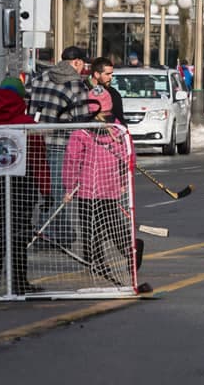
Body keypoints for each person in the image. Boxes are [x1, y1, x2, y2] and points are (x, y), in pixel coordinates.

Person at [0, 79, 50, 295]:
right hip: (23, 186)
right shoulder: (27, 125)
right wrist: (46, 190)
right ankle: (19, 282)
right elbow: (38, 160)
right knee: (19, 236)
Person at [62, 105, 145, 286]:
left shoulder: (82, 132)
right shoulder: (119, 130)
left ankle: (97, 260)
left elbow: (72, 160)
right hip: (110, 186)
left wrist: (69, 186)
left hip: (87, 189)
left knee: (90, 226)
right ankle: (128, 248)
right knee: (111, 223)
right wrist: (123, 181)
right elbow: (127, 158)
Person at [26, 45, 93, 244]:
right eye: (82, 65)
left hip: (35, 141)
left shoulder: (41, 76)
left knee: (41, 189)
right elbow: (82, 119)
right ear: (77, 62)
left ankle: (62, 233)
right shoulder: (76, 84)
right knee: (58, 191)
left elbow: (27, 99)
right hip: (60, 143)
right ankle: (45, 232)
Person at [88, 57, 124, 125]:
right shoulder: (83, 90)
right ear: (96, 74)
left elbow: (120, 119)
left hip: (110, 130)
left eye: (111, 74)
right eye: (107, 74)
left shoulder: (113, 93)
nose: (111, 77)